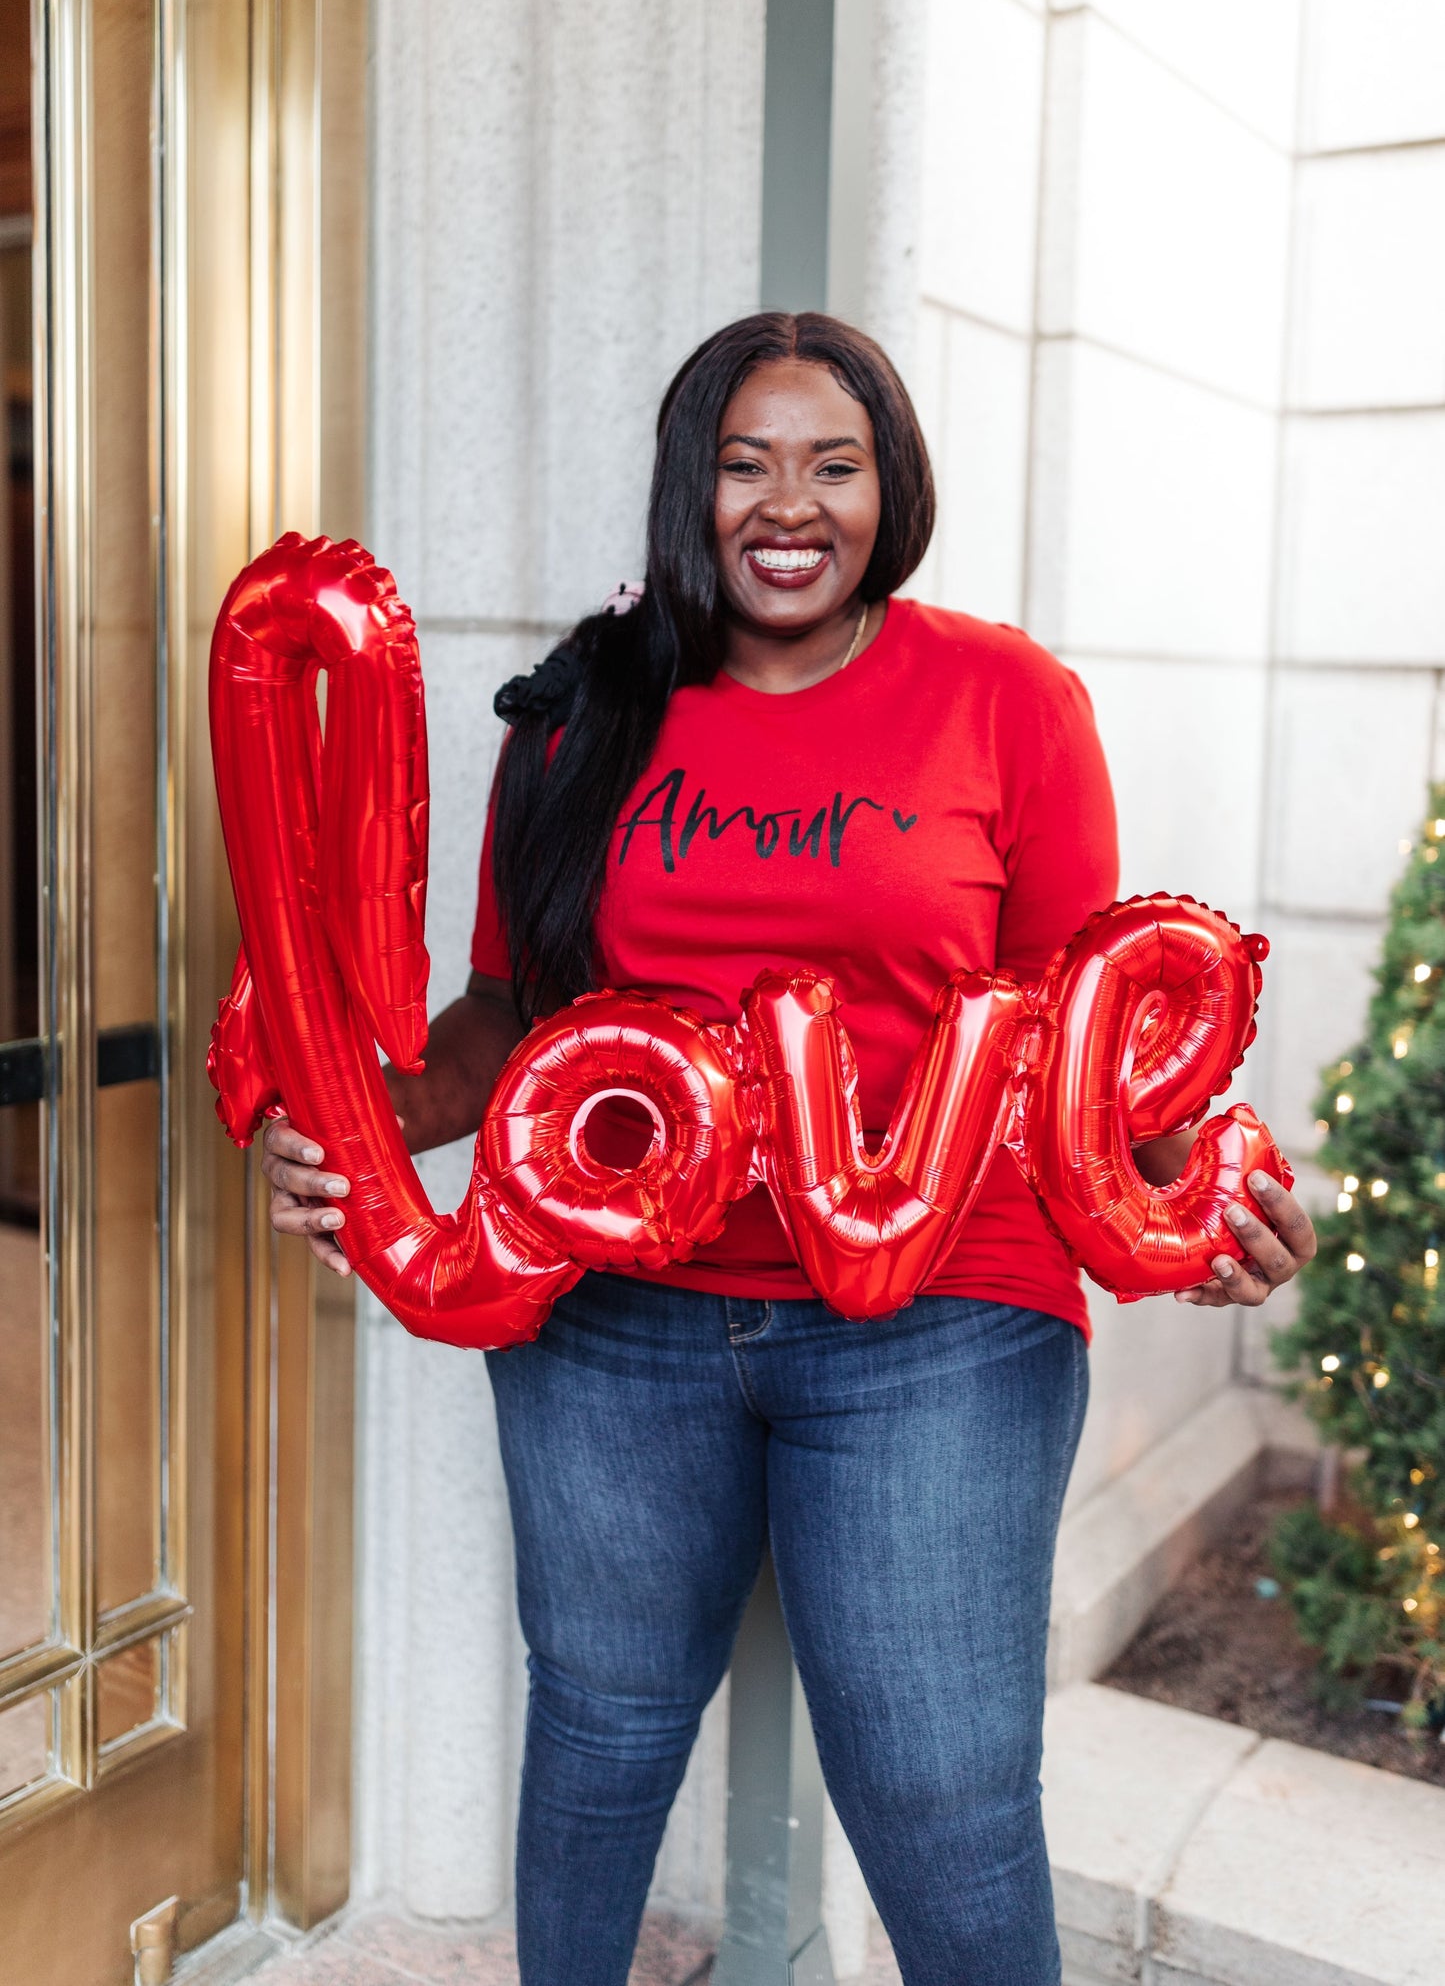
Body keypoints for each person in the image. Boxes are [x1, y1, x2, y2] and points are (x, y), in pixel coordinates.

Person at [262, 313, 1316, 1985]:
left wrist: (1199, 1194)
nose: (787, 503)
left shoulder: (1006, 703)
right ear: (691, 487)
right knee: (600, 1740)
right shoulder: (578, 716)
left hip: (942, 1324)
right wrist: (348, 1126)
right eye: (745, 462)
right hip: (611, 1318)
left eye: (834, 463)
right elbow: (499, 1022)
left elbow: (1081, 1038)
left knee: (940, 1795)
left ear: (889, 489)